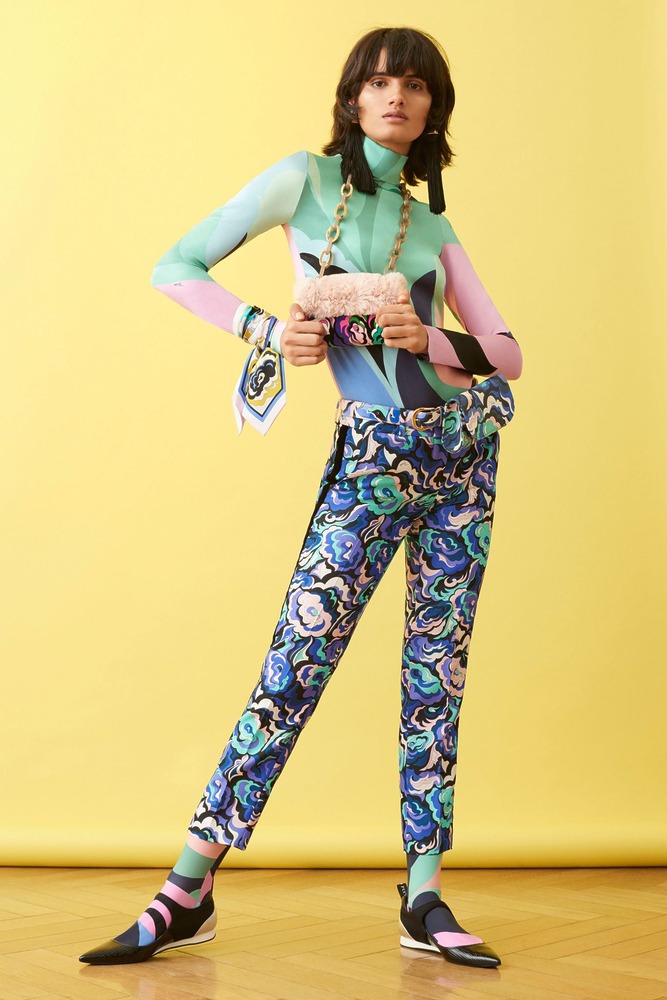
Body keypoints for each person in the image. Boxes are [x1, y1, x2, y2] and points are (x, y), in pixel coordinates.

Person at [79, 25, 522, 969]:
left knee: (436, 673)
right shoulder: (302, 181)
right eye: (380, 81)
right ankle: (187, 889)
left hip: (462, 459)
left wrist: (430, 340)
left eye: (415, 85)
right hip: (370, 460)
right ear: (352, 97)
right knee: (294, 666)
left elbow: (508, 355)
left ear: (433, 110)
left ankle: (424, 895)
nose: (396, 96)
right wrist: (263, 329)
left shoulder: (432, 229)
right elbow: (175, 266)